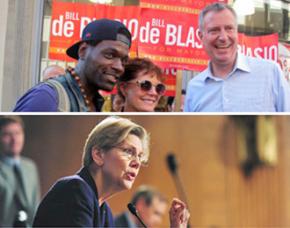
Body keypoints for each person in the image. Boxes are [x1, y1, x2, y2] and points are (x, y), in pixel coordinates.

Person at [32, 116, 189, 227]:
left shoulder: (103, 210)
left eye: (140, 156)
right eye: (128, 151)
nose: (137, 163)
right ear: (99, 154)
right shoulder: (75, 190)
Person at [184, 3, 290, 112]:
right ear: (201, 36)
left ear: (236, 32)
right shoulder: (194, 89)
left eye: (229, 28)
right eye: (214, 30)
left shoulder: (270, 74)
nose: (223, 37)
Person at [14, 18, 132, 112]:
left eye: (123, 61)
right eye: (110, 55)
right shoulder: (47, 97)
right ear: (83, 51)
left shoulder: (95, 102)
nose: (119, 67)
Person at [0, 116, 40, 227]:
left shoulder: (30, 167)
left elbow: (34, 205)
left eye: (18, 133)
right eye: (7, 134)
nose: (14, 140)